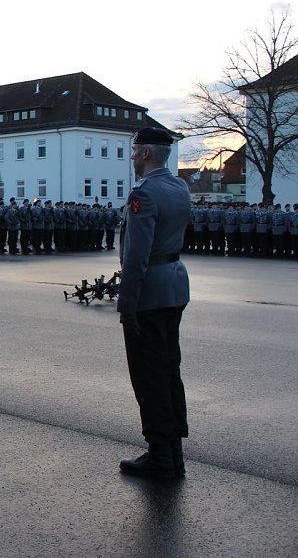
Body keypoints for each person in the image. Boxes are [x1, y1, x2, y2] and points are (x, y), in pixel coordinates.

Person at [118, 127, 191, 479]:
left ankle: (160, 453)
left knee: (148, 374)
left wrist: (126, 305)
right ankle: (173, 449)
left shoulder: (143, 195)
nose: (131, 158)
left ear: (145, 154)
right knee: (168, 369)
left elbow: (135, 257)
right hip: (174, 285)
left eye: (134, 152)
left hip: (149, 292)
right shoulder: (179, 187)